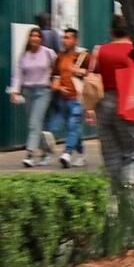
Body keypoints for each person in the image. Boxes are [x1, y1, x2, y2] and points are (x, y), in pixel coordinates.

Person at [85, 16, 134, 185]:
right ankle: (131, 188)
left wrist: (89, 108)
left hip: (104, 102)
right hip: (131, 102)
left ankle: (115, 189)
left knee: (110, 150)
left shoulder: (99, 50)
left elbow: (91, 79)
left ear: (111, 31)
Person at [9, 28, 58, 166]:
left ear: (41, 39)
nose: (35, 38)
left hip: (43, 91)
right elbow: (18, 74)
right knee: (35, 124)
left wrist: (56, 80)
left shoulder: (48, 53)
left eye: (37, 36)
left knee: (33, 124)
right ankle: (47, 150)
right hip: (28, 92)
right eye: (32, 36)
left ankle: (30, 154)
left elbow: (58, 69)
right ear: (29, 39)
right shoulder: (24, 55)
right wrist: (14, 90)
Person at [50, 28, 90, 167]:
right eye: (64, 37)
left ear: (75, 40)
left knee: (73, 125)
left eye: (68, 38)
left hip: (78, 98)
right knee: (73, 128)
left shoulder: (83, 56)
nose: (64, 40)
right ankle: (81, 154)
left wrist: (79, 71)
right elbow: (55, 77)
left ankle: (66, 153)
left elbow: (92, 74)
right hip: (63, 99)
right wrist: (59, 87)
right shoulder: (60, 57)